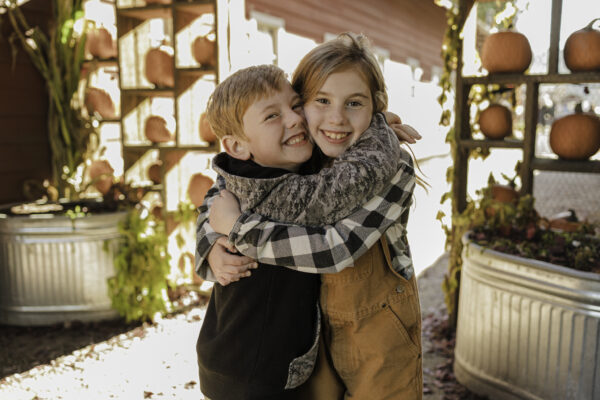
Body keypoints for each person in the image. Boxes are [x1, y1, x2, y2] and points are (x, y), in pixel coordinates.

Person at [200, 33, 423, 399]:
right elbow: (226, 194)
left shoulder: (391, 168)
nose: (336, 117)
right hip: (310, 335)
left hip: (378, 324)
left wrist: (239, 231)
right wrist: (210, 243)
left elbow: (336, 249)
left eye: (355, 103)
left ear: (375, 107)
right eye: (321, 100)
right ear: (303, 104)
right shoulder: (305, 154)